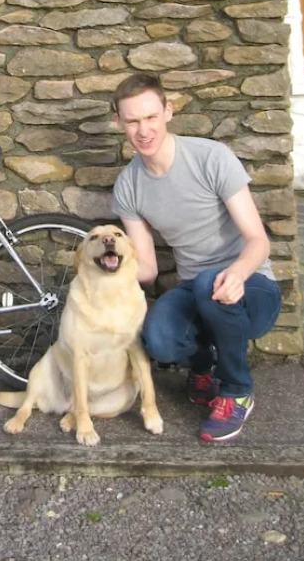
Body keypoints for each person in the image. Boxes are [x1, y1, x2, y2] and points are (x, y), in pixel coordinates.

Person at [110, 73, 281, 443]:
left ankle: (237, 390)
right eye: (133, 121)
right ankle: (203, 366)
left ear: (168, 112)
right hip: (195, 290)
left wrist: (236, 273)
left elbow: (258, 241)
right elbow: (148, 269)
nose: (143, 130)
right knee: (156, 335)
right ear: (118, 123)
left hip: (253, 288)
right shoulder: (127, 185)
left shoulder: (211, 157)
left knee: (210, 282)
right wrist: (102, 273)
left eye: (151, 117)